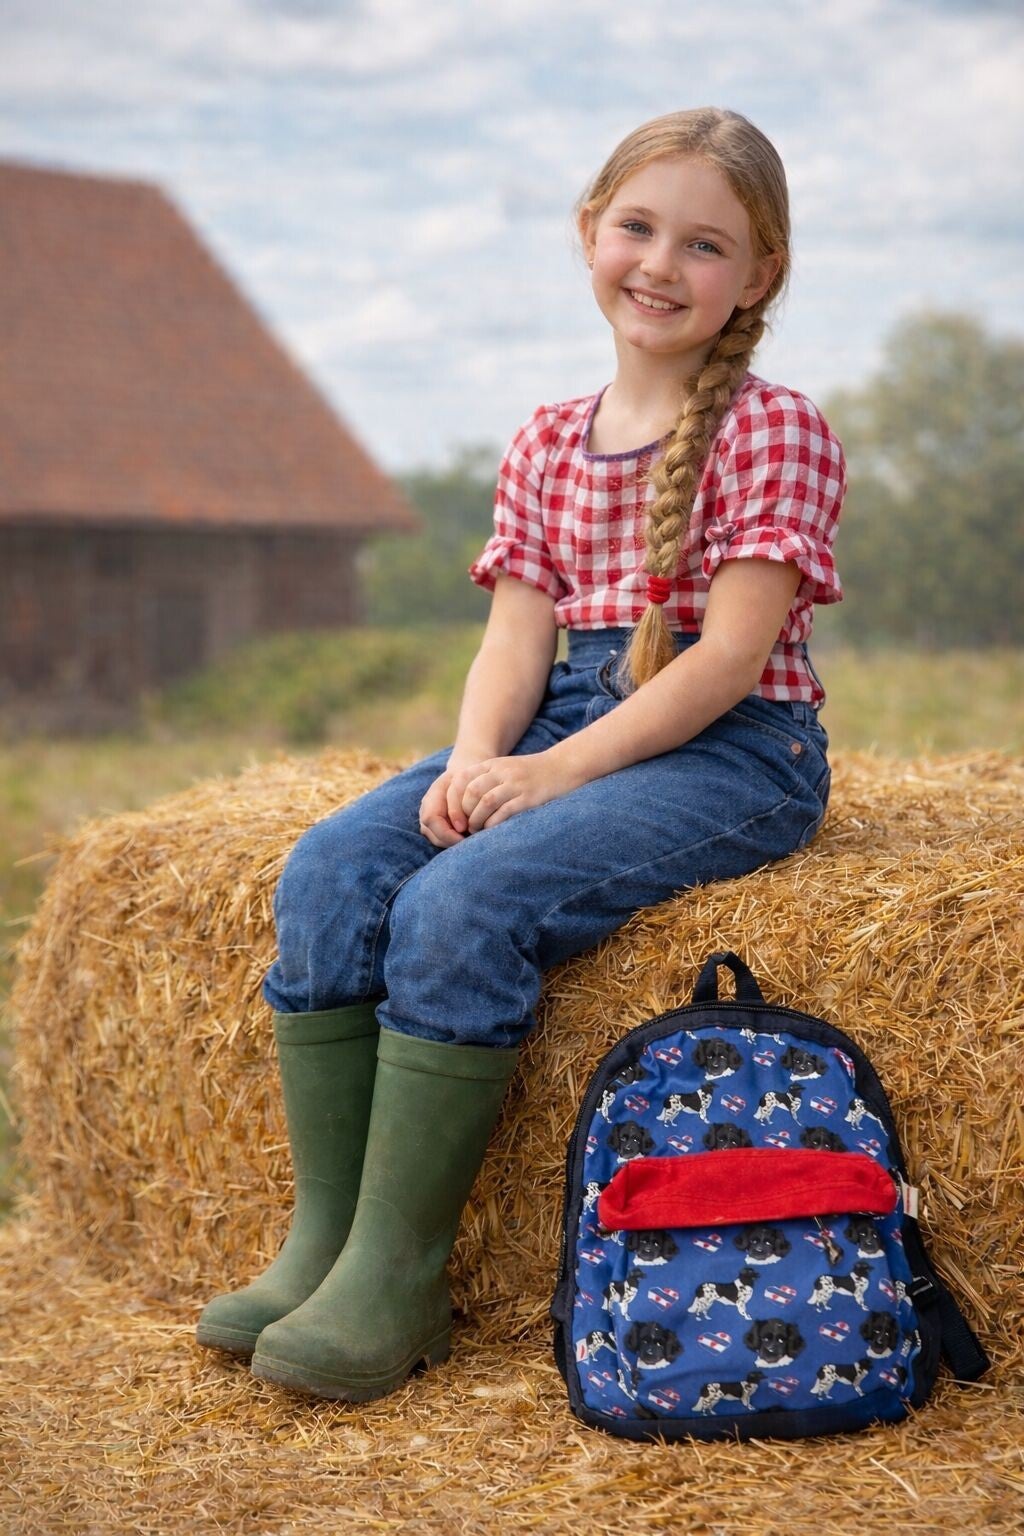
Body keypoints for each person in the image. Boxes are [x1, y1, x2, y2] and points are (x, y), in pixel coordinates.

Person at [196, 106, 846, 1403]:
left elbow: (723, 662)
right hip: (550, 725)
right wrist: (476, 760)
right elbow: (512, 639)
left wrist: (551, 780)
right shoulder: (549, 440)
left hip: (728, 751)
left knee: (463, 905)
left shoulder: (774, 431)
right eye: (638, 227)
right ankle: (324, 1244)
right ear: (587, 234)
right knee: (334, 869)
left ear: (760, 275)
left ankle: (400, 1274)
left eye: (705, 244)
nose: (661, 264)